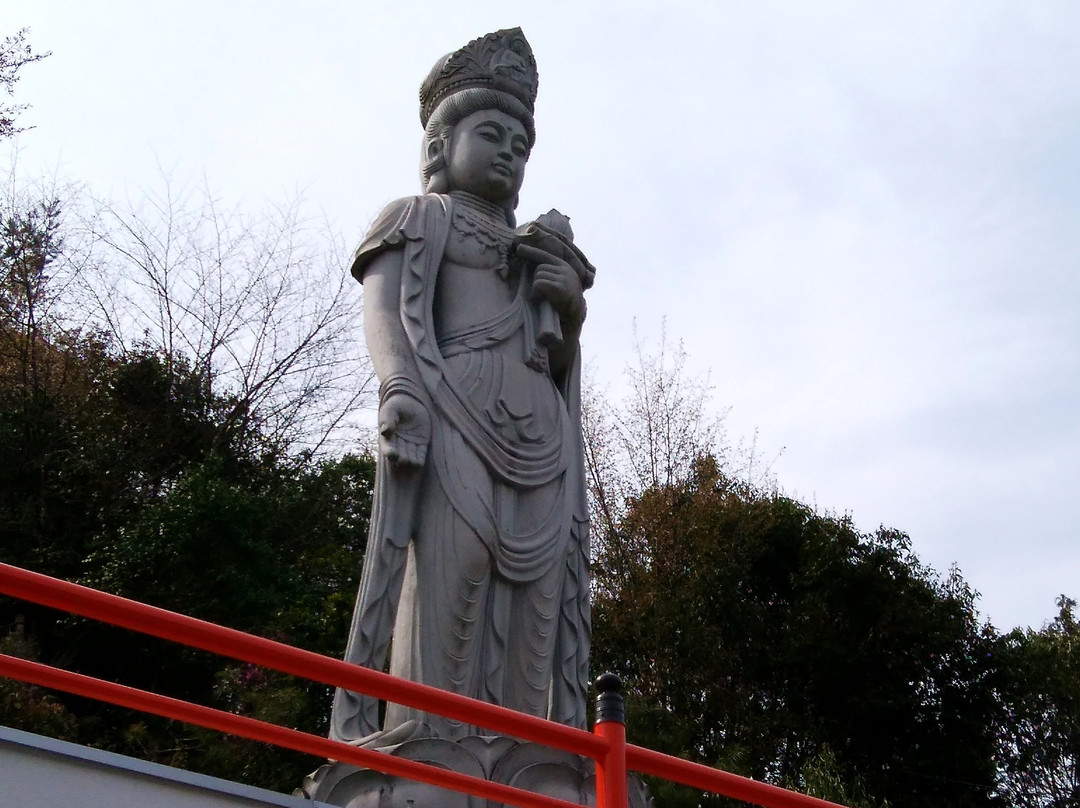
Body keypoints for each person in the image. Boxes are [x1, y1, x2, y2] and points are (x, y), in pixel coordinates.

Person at [330, 28, 593, 746]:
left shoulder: (536, 248)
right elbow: (384, 309)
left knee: (539, 599)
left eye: (521, 144)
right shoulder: (419, 217)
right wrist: (398, 388)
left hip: (540, 430)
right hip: (454, 407)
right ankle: (429, 742)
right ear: (440, 148)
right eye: (492, 134)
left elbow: (561, 358)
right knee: (456, 567)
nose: (509, 152)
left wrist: (566, 306)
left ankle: (523, 752)